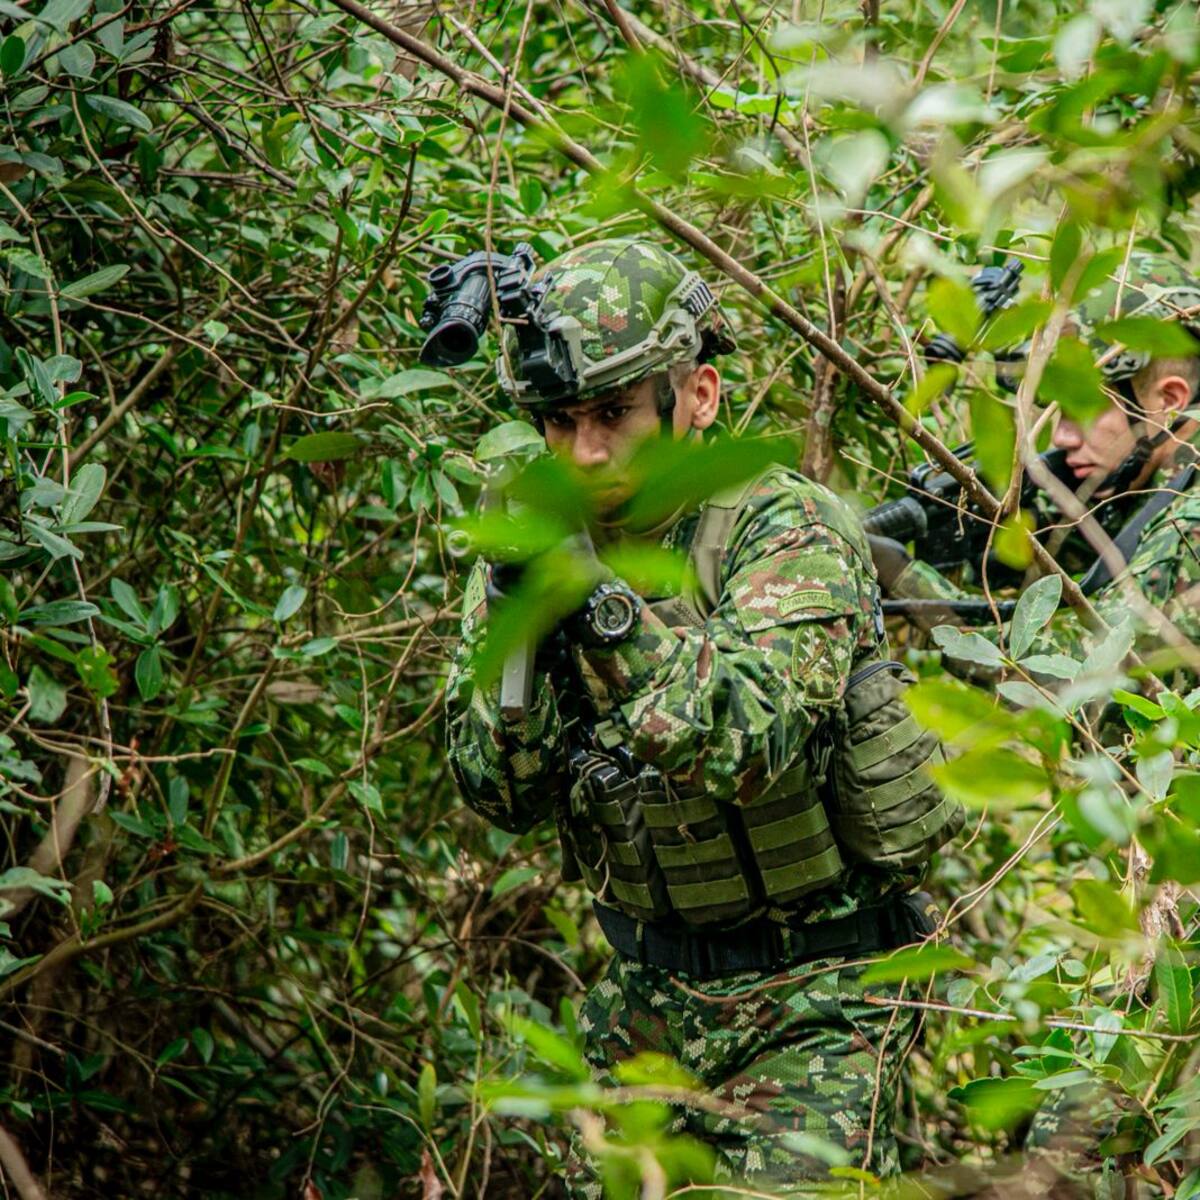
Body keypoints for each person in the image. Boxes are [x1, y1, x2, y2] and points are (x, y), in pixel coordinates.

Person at [443, 237, 959, 1194]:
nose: (585, 451)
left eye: (614, 414)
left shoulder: (784, 523)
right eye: (559, 421)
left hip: (818, 997)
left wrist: (598, 608)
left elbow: (744, 739)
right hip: (642, 1002)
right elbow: (497, 790)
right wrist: (520, 632)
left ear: (700, 398)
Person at [872, 253, 1200, 684]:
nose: (1061, 437)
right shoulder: (1147, 477)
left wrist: (906, 580)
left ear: (1167, 401)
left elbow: (1075, 682)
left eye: (1081, 409)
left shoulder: (1189, 516)